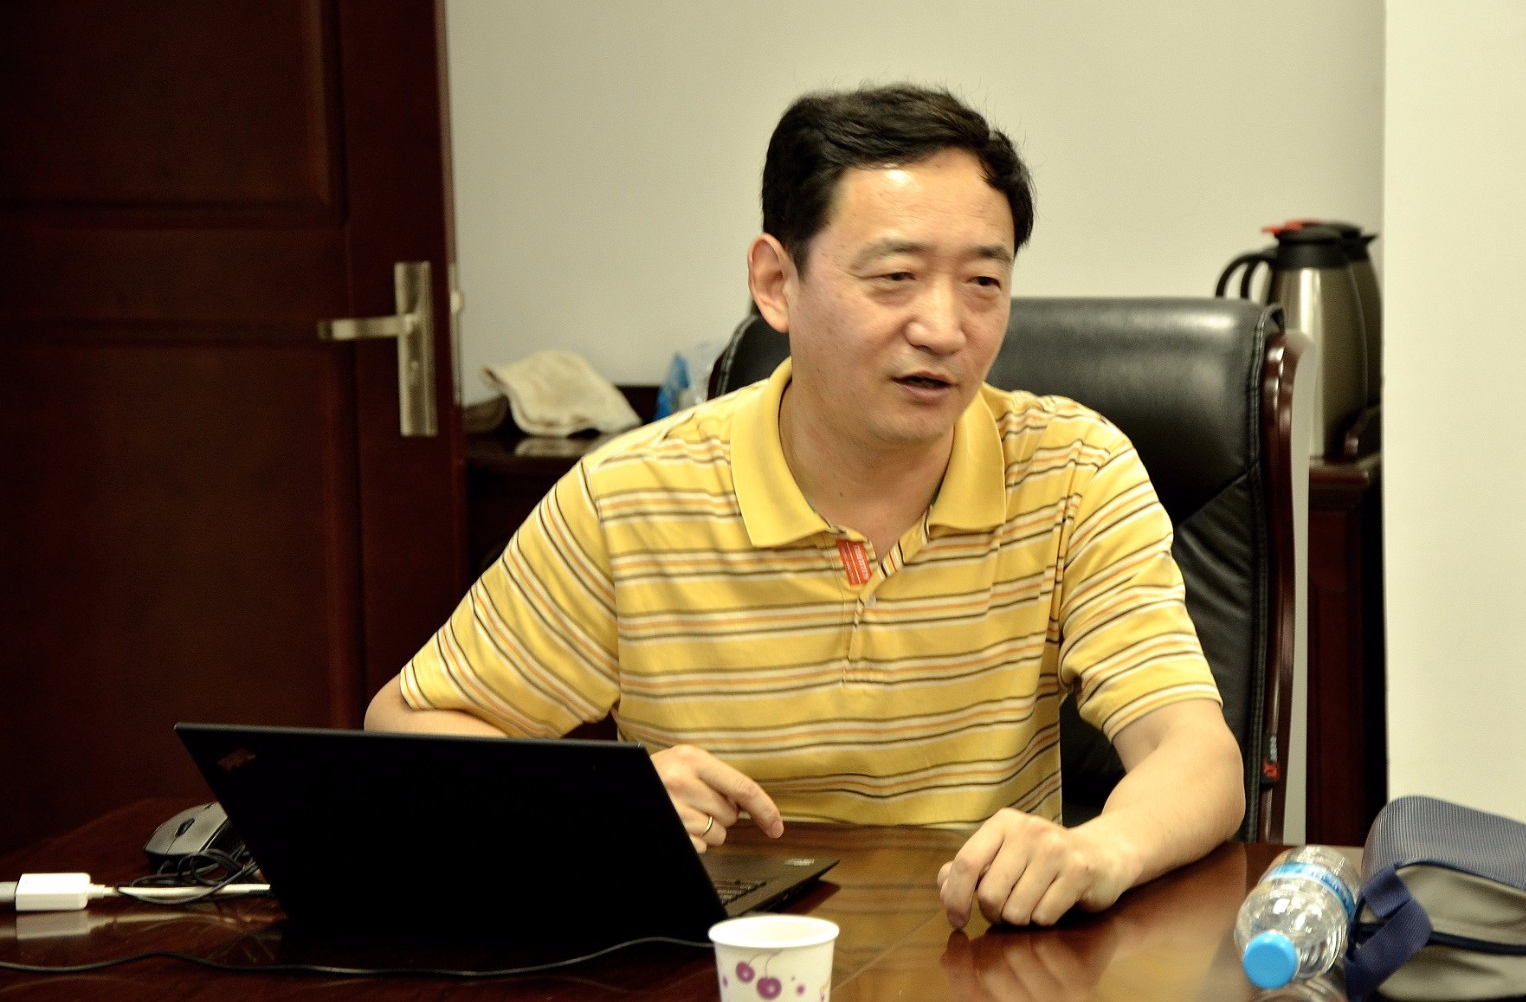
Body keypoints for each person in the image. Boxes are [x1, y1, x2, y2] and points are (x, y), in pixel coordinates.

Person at [366, 83, 1245, 930]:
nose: (946, 328)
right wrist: (600, 804)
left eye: (984, 281)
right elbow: (406, 724)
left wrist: (1101, 848)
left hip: (978, 950)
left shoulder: (1072, 472)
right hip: (714, 960)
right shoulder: (629, 499)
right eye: (895, 275)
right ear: (775, 282)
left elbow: (1196, 755)